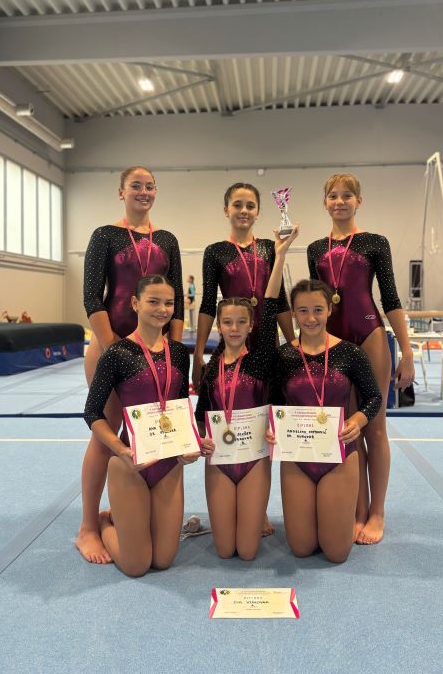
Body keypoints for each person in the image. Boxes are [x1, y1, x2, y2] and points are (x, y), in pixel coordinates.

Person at [76, 166, 184, 564]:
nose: (143, 191)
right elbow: (93, 297)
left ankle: (137, 509)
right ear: (120, 192)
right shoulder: (105, 235)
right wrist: (115, 350)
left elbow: (177, 301)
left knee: (157, 429)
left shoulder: (167, 239)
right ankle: (88, 527)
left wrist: (171, 353)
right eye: (135, 185)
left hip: (157, 351)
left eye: (149, 186)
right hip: (112, 346)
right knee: (106, 434)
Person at [307, 173, 414, 544]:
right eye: (333, 196)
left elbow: (390, 297)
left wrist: (407, 350)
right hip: (332, 340)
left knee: (375, 426)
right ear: (325, 202)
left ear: (358, 201)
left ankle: (377, 512)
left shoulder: (374, 242)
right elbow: (314, 303)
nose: (340, 201)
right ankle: (358, 509)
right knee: (348, 429)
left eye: (347, 195)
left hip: (368, 335)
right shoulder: (315, 249)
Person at [84, 275, 208, 577]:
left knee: (163, 560)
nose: (162, 309)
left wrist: (191, 442)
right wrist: (121, 451)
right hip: (131, 462)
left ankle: (128, 519)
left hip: (168, 462)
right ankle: (104, 522)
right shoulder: (117, 354)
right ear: (135, 303)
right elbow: (92, 413)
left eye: (168, 303)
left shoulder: (178, 353)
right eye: (153, 301)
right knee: (136, 565)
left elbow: (180, 405)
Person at [195, 227, 298, 560]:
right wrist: (200, 439)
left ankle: (253, 511)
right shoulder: (212, 366)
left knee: (249, 551)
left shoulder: (261, 358)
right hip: (221, 458)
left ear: (252, 325)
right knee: (225, 550)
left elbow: (270, 302)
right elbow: (200, 413)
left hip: (253, 456)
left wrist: (280, 255)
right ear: (219, 326)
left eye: (242, 322)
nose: (235, 328)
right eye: (228, 323)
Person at [267, 279, 382, 563]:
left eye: (318, 309)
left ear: (330, 309)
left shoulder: (351, 353)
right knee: (301, 548)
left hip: (338, 454)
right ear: (293, 313)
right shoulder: (283, 356)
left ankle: (338, 518)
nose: (311, 318)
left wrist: (358, 420)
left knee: (336, 553)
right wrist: (271, 427)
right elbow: (274, 402)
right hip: (297, 455)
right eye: (303, 310)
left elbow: (374, 398)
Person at [193, 182, 294, 389]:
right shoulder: (215, 251)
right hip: (233, 339)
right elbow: (208, 304)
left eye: (250, 206)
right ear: (226, 210)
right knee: (233, 396)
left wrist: (293, 345)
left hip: (267, 341)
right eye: (237, 205)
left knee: (268, 396)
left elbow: (281, 301)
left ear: (257, 212)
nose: (244, 211)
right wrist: (198, 352)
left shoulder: (270, 248)